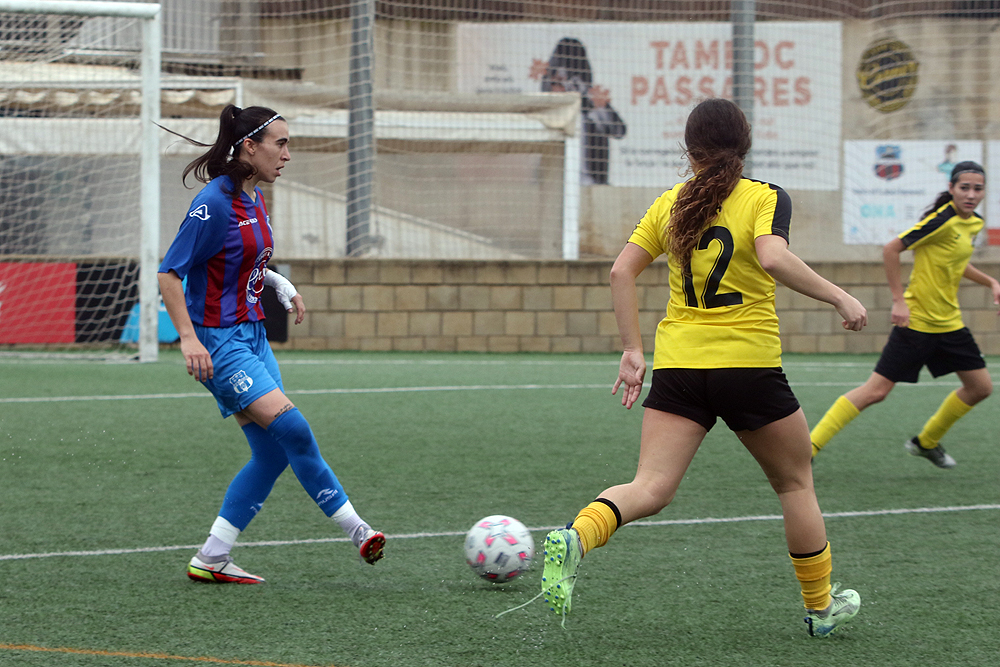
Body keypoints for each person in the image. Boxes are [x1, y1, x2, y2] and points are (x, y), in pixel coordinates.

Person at [539, 98, 867, 637]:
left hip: (679, 368)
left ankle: (577, 536)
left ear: (689, 149)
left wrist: (632, 349)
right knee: (794, 485)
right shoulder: (764, 196)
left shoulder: (670, 203)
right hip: (748, 366)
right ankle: (820, 608)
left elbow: (621, 272)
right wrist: (839, 296)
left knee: (650, 487)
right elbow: (773, 257)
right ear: (745, 143)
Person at [157, 105, 385, 584]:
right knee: (294, 430)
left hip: (253, 335)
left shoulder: (254, 197)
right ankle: (357, 530)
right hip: (220, 343)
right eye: (280, 144)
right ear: (249, 147)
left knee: (272, 453)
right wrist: (189, 339)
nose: (287, 155)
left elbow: (245, 259)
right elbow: (169, 274)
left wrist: (280, 285)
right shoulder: (213, 204)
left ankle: (212, 556)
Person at [810, 161, 997, 467]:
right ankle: (809, 448)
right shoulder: (941, 220)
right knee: (876, 392)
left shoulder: (974, 223)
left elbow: (956, 260)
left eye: (978, 189)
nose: (971, 194)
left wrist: (991, 282)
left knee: (980, 388)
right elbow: (891, 249)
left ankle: (926, 443)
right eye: (964, 187)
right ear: (951, 188)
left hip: (950, 324)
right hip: (917, 323)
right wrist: (899, 300)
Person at [539, 37, 626, 185]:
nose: (564, 88)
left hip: (591, 185)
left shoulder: (590, 114)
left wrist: (587, 94)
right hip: (556, 183)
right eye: (557, 82)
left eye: (570, 81)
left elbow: (619, 131)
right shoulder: (545, 113)